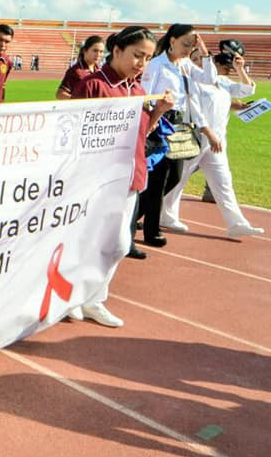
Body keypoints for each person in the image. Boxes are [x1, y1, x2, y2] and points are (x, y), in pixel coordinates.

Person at [70, 26, 174, 324]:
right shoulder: (93, 85)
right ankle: (75, 296)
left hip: (130, 176)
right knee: (87, 240)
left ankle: (94, 298)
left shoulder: (139, 89)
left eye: (147, 57)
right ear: (117, 51)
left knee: (117, 244)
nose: (141, 63)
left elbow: (142, 132)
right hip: (96, 179)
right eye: (137, 55)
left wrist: (160, 111)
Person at [162, 40, 263, 238]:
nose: (201, 62)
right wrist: (209, 134)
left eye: (203, 59)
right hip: (197, 137)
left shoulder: (223, 82)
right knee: (179, 179)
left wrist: (240, 68)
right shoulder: (193, 83)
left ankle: (236, 223)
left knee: (224, 181)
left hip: (217, 142)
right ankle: (163, 214)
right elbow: (197, 112)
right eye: (196, 59)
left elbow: (248, 89)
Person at [138, 24, 217, 247]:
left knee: (174, 177)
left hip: (181, 124)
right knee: (158, 180)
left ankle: (134, 216)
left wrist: (203, 51)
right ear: (172, 40)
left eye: (191, 45)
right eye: (185, 44)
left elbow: (209, 79)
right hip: (162, 121)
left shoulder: (185, 65)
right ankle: (151, 232)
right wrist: (152, 120)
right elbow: (146, 95)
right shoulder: (157, 65)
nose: (187, 49)